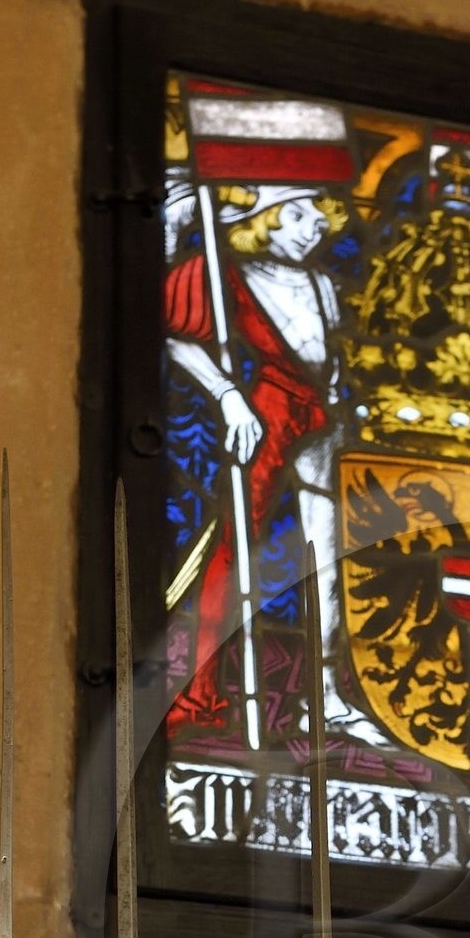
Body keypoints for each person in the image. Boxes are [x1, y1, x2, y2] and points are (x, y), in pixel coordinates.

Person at [165, 180, 386, 744]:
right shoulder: (224, 273)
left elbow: (333, 354)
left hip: (322, 419)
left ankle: (327, 695)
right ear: (267, 218)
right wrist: (226, 395)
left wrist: (342, 392)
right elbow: (177, 336)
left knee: (331, 556)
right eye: (302, 216)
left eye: (320, 217)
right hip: (263, 412)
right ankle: (198, 688)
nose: (317, 227)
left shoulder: (321, 284)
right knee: (237, 547)